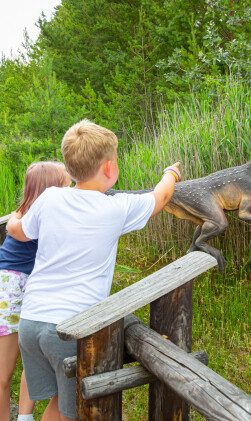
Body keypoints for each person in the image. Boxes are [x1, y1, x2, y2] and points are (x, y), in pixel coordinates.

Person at [7, 119, 181, 421]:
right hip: (66, 327)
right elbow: (161, 197)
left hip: (32, 322)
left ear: (69, 165)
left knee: (57, 402)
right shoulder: (116, 208)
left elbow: (21, 232)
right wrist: (171, 173)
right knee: (74, 410)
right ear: (110, 168)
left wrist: (11, 222)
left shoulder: (49, 198)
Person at [0, 162, 72, 421]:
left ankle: (24, 416)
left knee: (31, 358)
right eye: (67, 183)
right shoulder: (28, 217)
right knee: (2, 375)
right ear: (50, 189)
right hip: (10, 289)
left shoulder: (27, 215)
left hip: (30, 289)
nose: (72, 188)